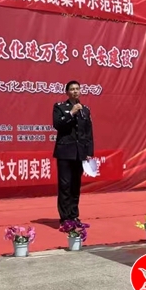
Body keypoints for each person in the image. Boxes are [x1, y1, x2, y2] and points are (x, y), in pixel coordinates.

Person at [52, 81, 94, 225]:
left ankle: (74, 215)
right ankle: (65, 218)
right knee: (65, 185)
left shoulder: (85, 110)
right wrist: (71, 113)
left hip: (79, 152)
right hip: (65, 152)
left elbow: (88, 132)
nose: (75, 91)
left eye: (77, 89)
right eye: (72, 89)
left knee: (76, 185)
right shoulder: (60, 107)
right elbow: (57, 125)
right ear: (67, 92)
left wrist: (89, 151)